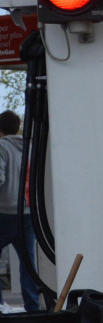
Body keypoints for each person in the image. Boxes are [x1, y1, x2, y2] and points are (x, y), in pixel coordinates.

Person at [0, 110, 42, 312]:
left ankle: (0, 307)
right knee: (27, 263)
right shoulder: (31, 147)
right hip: (27, 214)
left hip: (4, 214)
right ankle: (32, 307)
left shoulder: (1, 147)